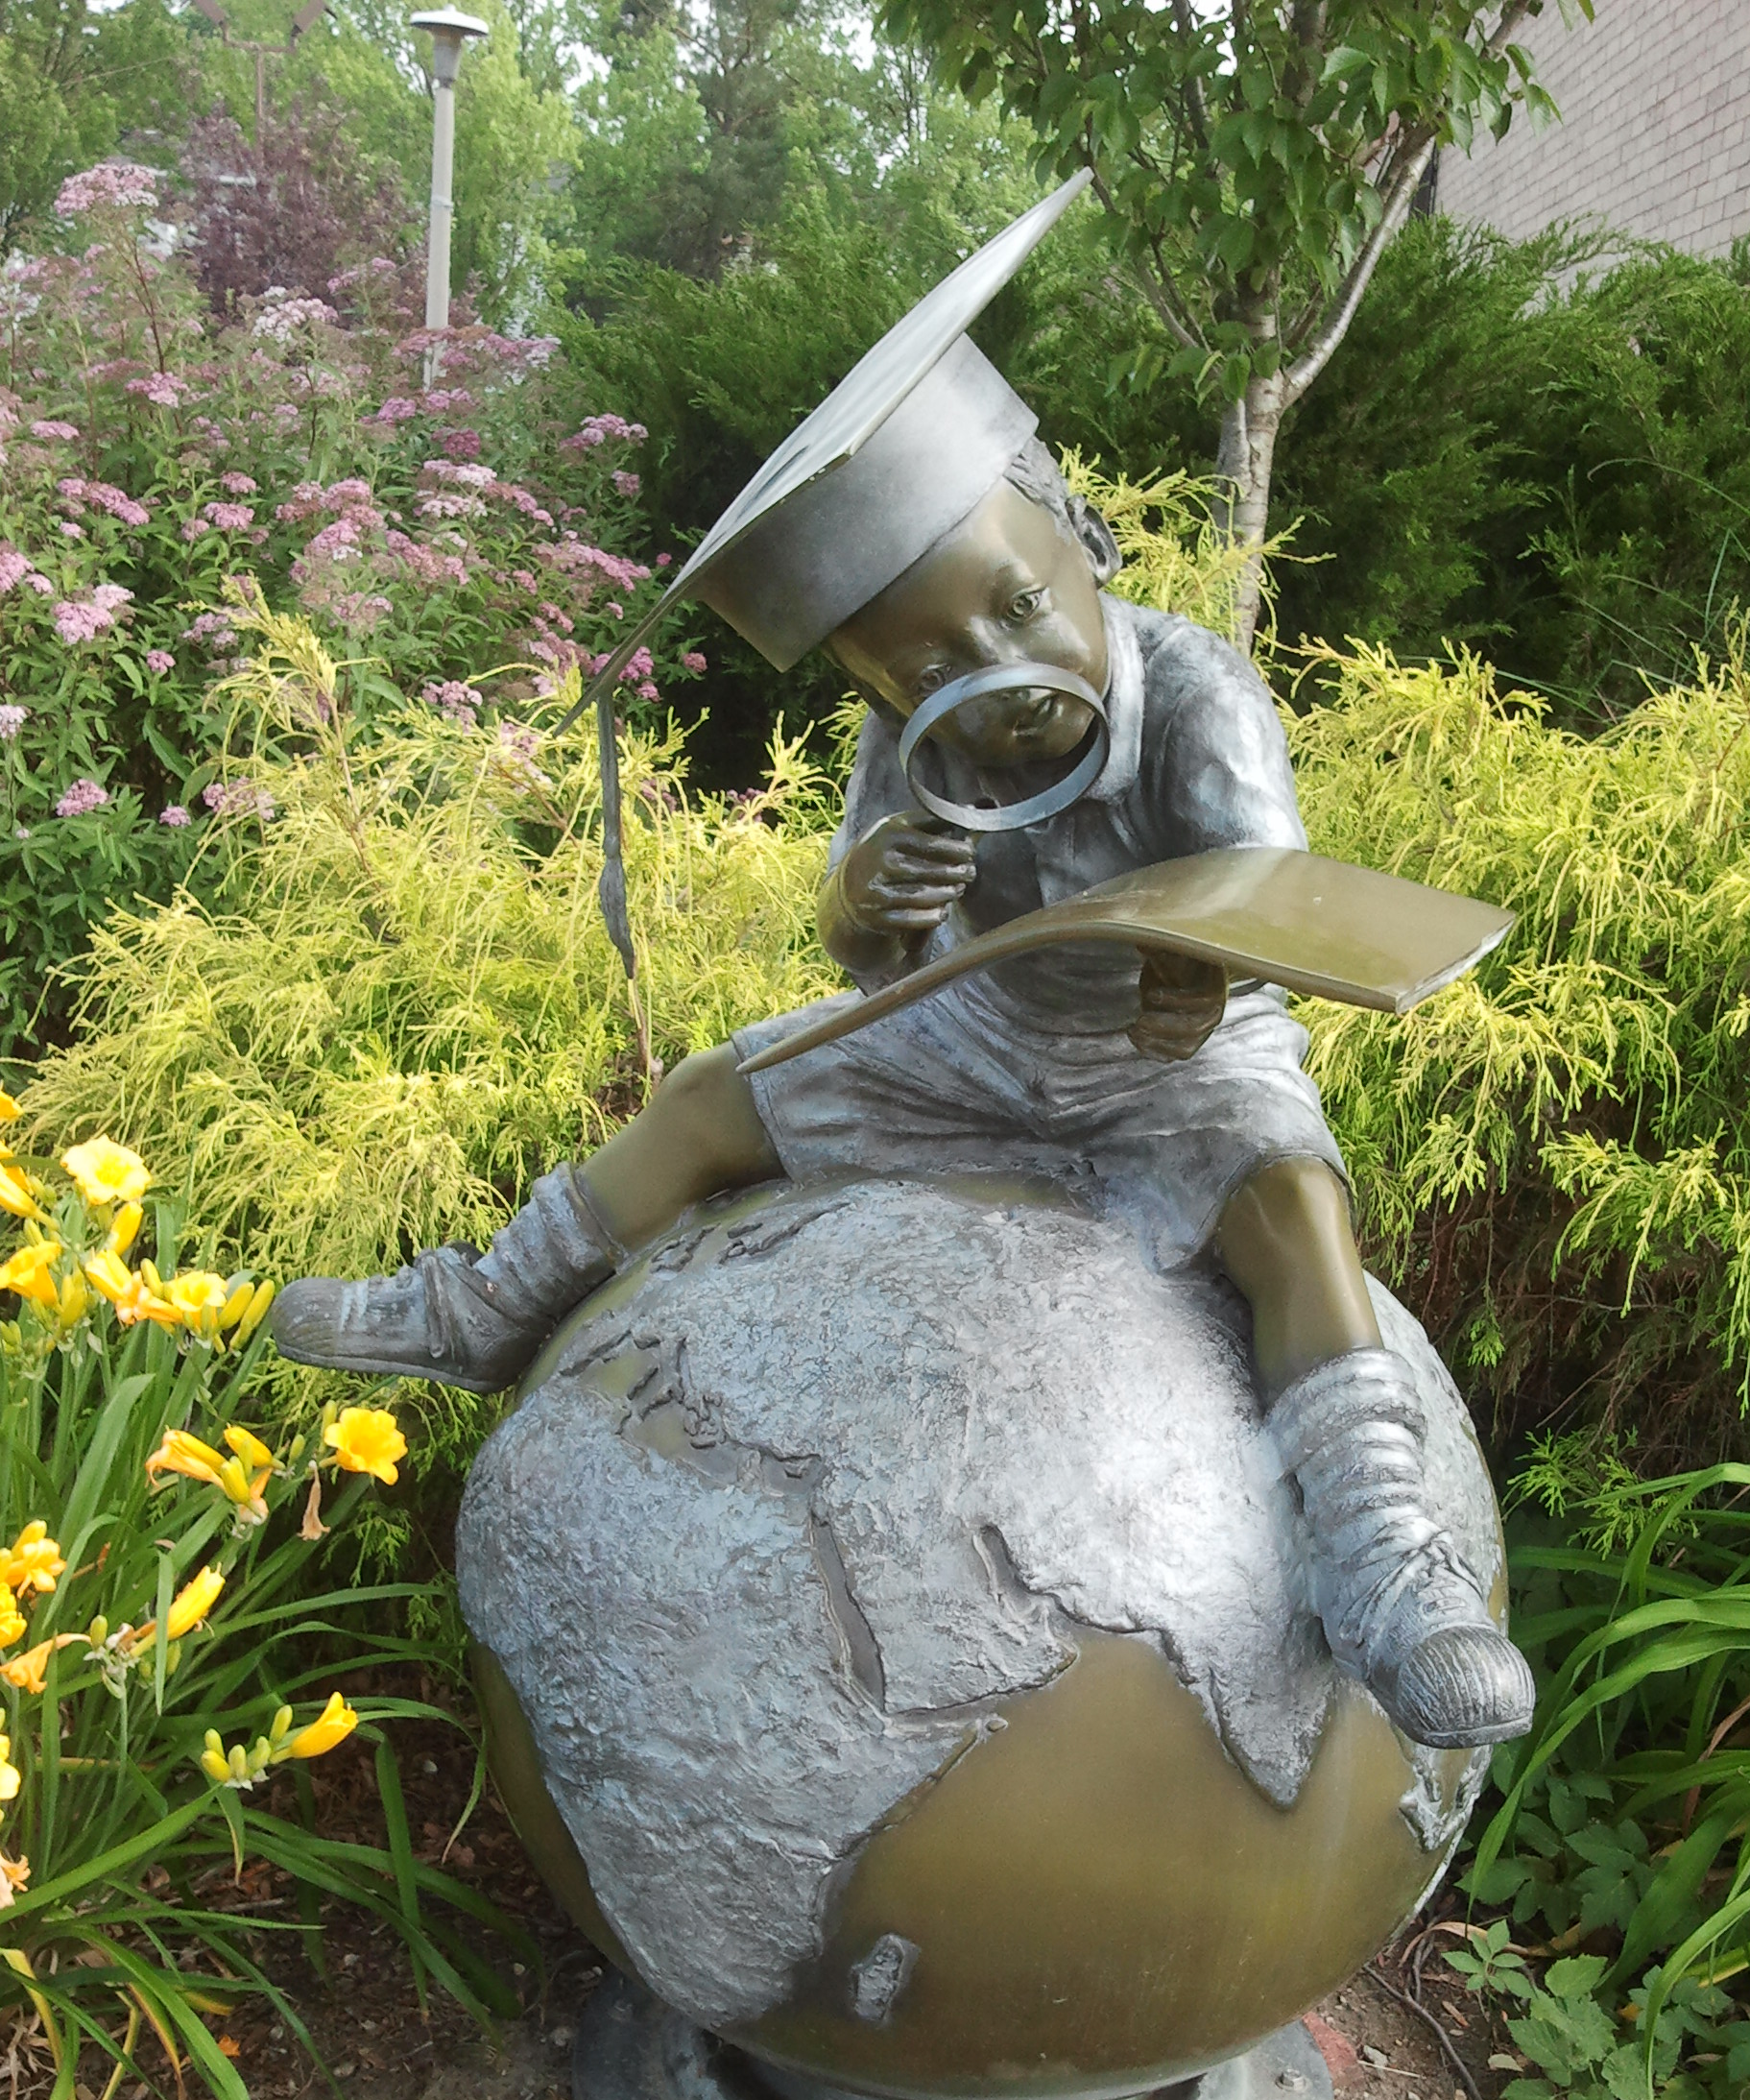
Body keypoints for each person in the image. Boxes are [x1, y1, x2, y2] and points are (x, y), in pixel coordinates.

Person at [271, 190, 1534, 1756]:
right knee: (714, 1095)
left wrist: (1198, 978)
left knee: (1292, 1207)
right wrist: (869, 904)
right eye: (929, 671)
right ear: (881, 688)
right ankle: (488, 1305)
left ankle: (1383, 1562)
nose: (996, 680)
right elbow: (870, 952)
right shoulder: (909, 743)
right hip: (975, 1041)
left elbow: (1267, 901)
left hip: (1174, 1066)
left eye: (1020, 608)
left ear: (1080, 535)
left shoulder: (1198, 690)